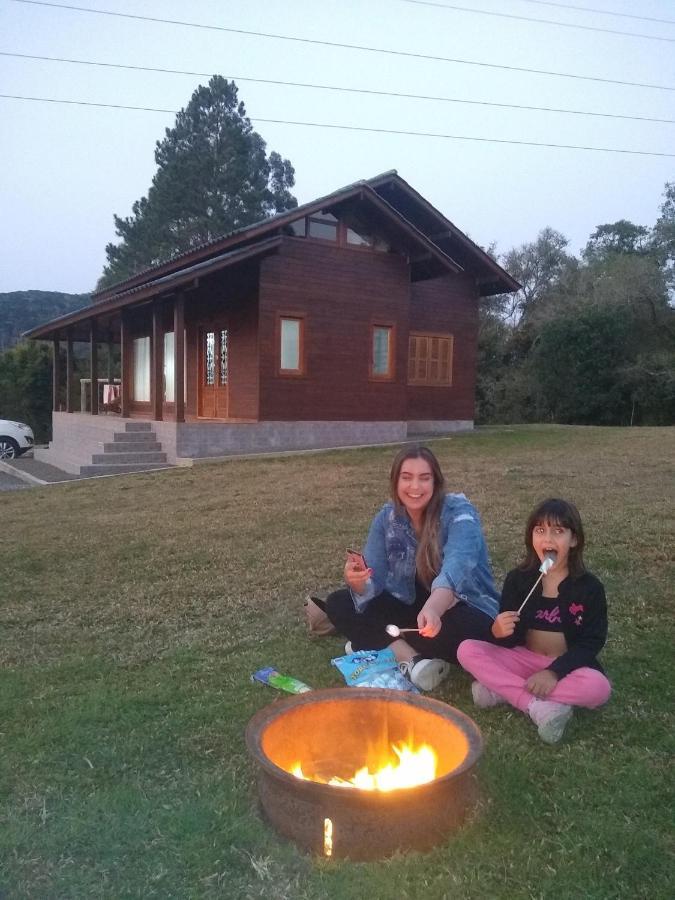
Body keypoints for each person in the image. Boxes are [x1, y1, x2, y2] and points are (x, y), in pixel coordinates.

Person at [325, 445, 499, 692]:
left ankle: (374, 641)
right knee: (339, 603)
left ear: (436, 482)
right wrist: (358, 581)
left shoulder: (459, 514)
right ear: (395, 482)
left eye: (424, 478)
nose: (415, 487)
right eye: (406, 478)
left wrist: (433, 609)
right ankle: (409, 657)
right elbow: (373, 579)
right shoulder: (387, 518)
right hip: (410, 608)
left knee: (473, 633)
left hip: (458, 606)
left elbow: (456, 567)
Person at [457, 498, 611, 744]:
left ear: (574, 540)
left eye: (558, 531)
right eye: (540, 530)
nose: (548, 539)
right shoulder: (518, 580)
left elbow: (592, 641)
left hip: (565, 665)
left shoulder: (590, 588)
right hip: (523, 657)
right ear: (531, 538)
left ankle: (502, 690)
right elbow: (510, 640)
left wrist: (553, 672)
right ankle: (535, 705)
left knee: (598, 689)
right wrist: (497, 631)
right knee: (467, 650)